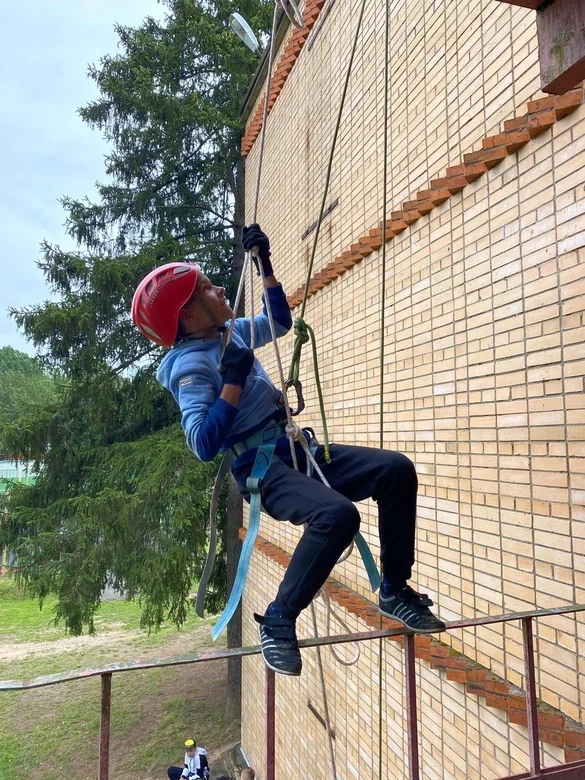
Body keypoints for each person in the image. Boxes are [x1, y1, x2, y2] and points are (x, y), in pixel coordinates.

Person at [132, 224, 445, 678]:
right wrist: (232, 382)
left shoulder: (230, 333)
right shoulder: (191, 366)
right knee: (337, 515)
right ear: (191, 316)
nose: (220, 289)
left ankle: (394, 589)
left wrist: (265, 265)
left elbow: (278, 322)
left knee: (395, 471)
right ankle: (279, 619)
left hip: (295, 450)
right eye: (208, 288)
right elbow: (203, 443)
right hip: (260, 467)